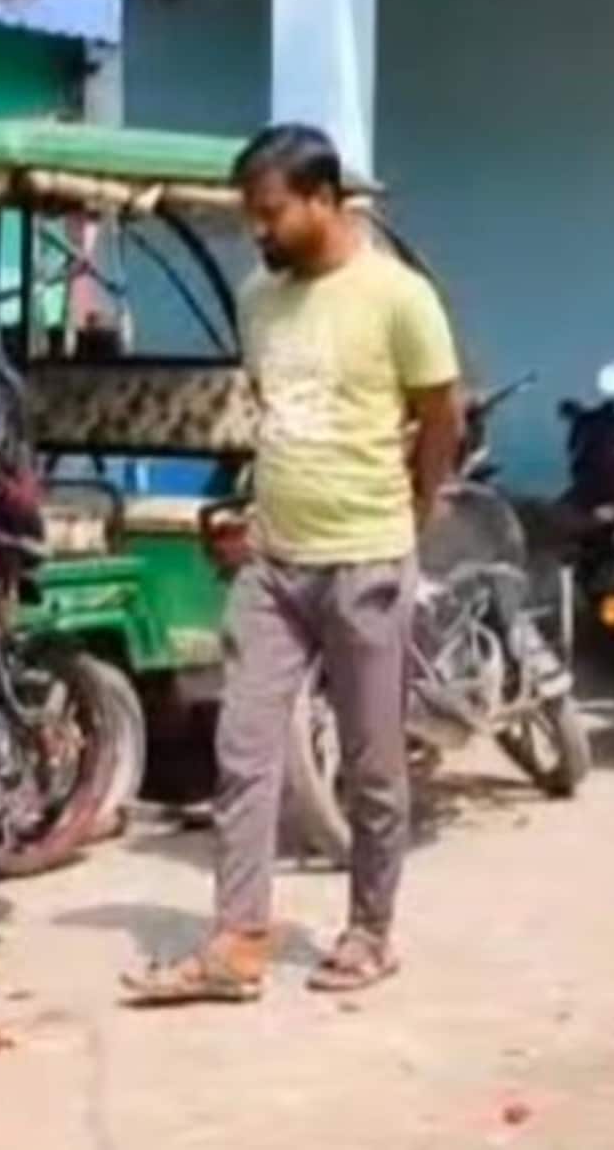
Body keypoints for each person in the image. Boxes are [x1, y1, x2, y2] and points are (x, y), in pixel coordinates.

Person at [126, 123, 463, 1004]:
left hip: (366, 559)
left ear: (324, 199)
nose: (259, 232)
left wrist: (417, 510)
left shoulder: (398, 297)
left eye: (270, 214)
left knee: (372, 762)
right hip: (275, 563)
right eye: (250, 218)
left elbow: (441, 415)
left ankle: (370, 929)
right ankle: (238, 939)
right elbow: (276, 410)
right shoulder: (258, 300)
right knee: (242, 749)